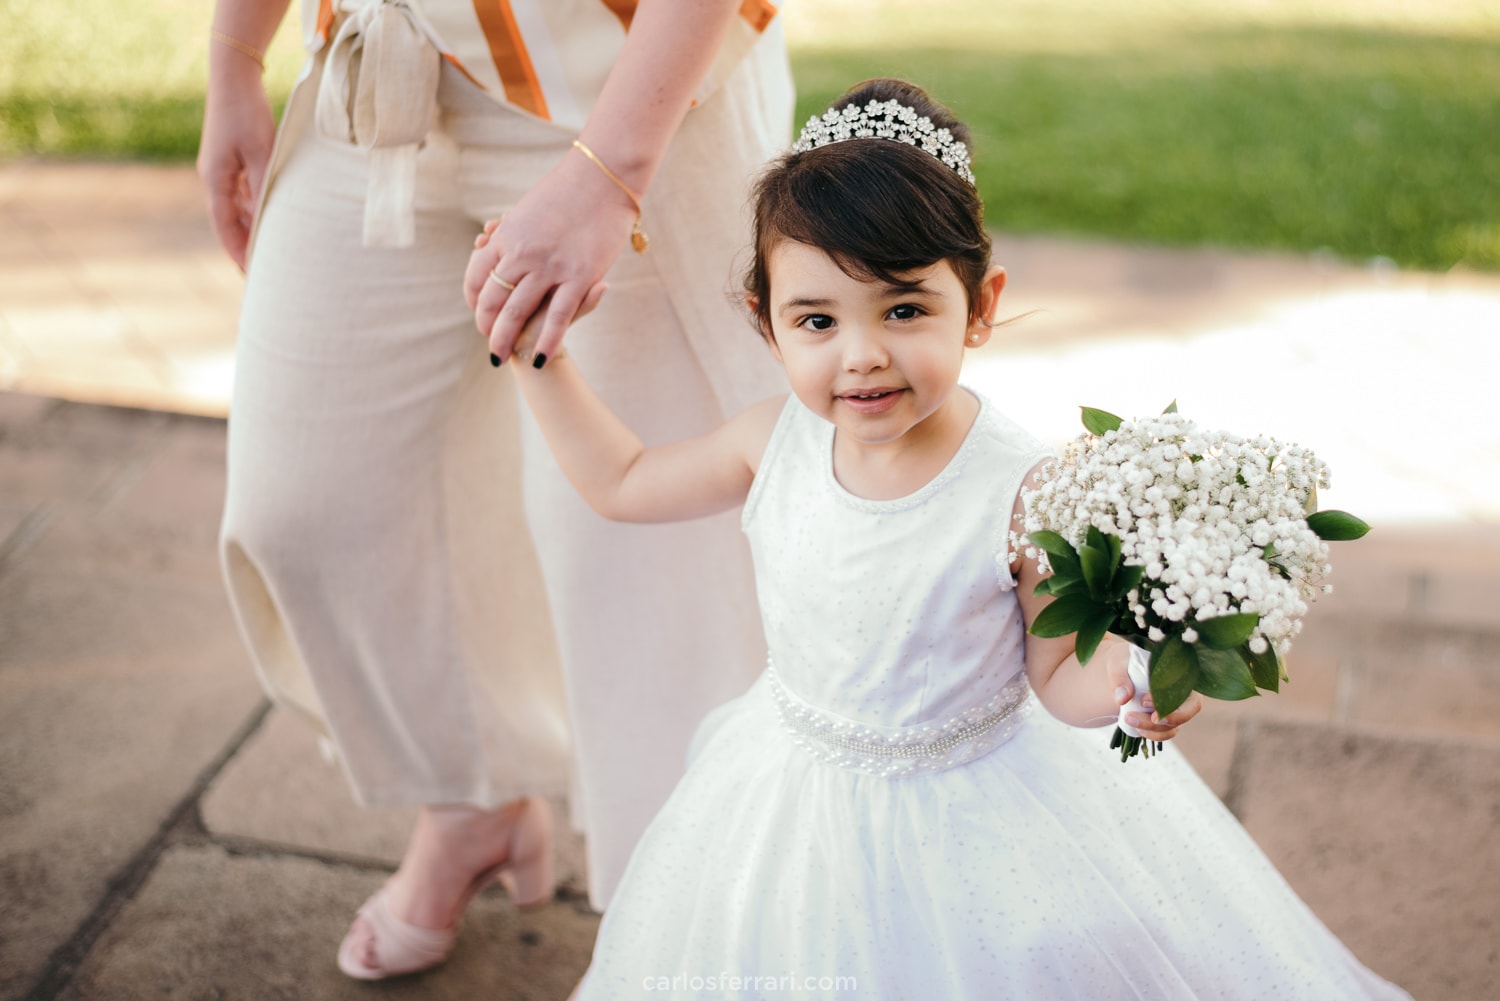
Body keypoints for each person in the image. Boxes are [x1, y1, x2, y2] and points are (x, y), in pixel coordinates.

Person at [500, 78, 1415, 999]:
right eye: (817, 319)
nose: (861, 354)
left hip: (981, 815)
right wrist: (538, 356)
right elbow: (622, 482)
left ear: (979, 305)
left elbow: (1058, 674)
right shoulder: (769, 440)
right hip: (794, 798)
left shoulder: (1021, 486)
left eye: (904, 310)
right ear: (765, 322)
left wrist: (1143, 673)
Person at [197, 0, 793, 981]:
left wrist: (611, 176)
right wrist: (235, 58)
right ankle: (474, 793)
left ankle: (679, 926)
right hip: (372, 77)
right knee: (303, 501)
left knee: (655, 567)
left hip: (625, 91)